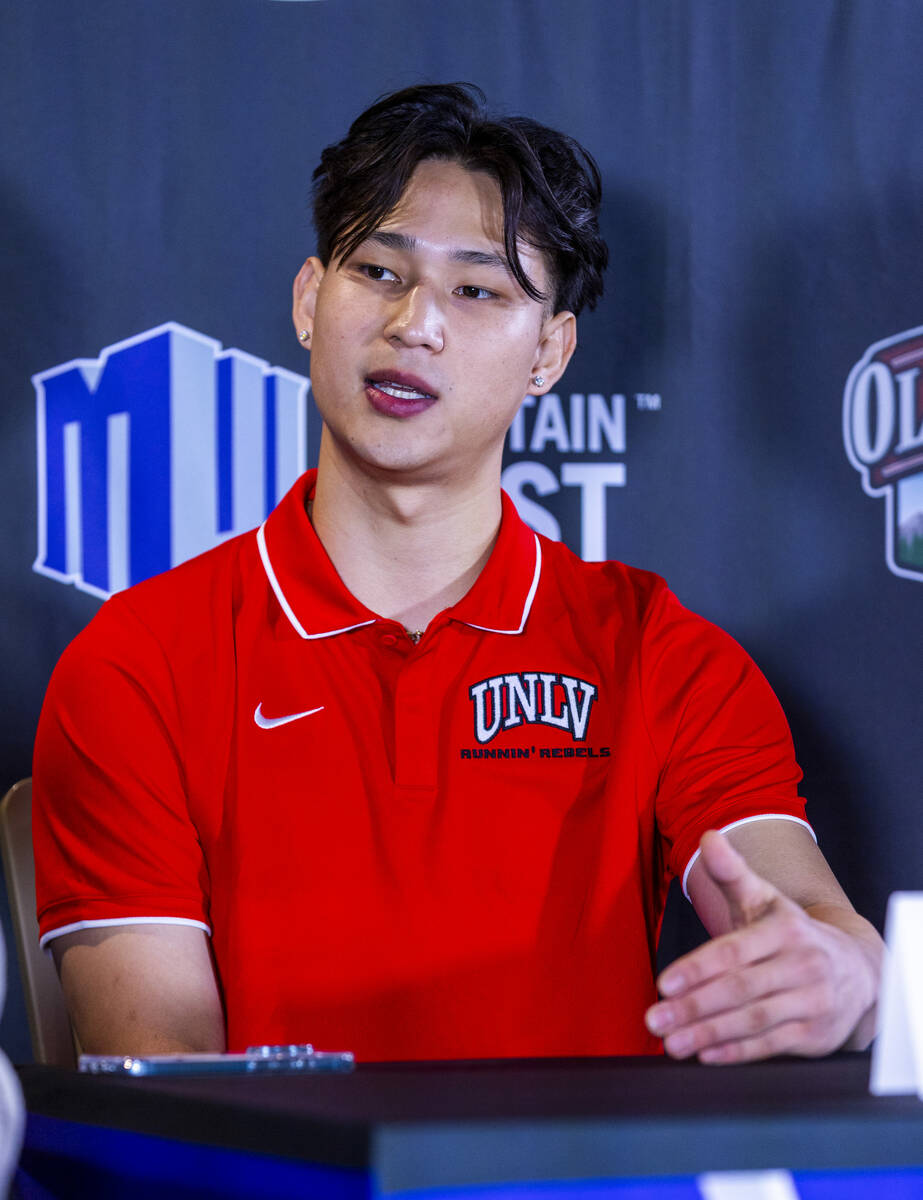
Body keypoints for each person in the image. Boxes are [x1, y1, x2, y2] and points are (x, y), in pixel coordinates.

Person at [32, 83, 882, 1064]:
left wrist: (834, 977)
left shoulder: (654, 652)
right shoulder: (141, 662)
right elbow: (166, 1081)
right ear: (310, 299)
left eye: (475, 290)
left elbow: (815, 924)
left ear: (549, 351)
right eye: (378, 271)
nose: (413, 324)